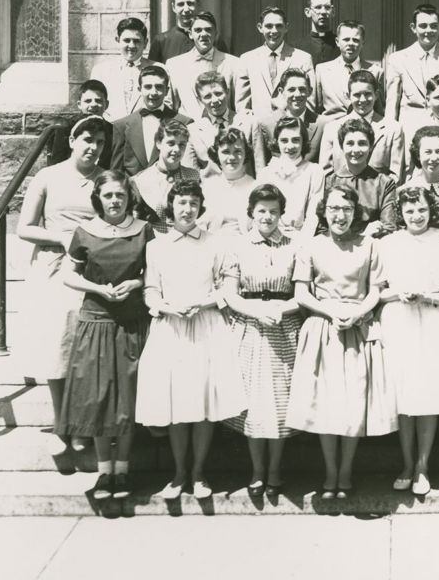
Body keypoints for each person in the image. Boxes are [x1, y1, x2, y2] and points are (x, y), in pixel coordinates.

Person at [136, 181, 245, 500]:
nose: (187, 209)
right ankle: (178, 473)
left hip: (205, 326)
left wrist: (204, 303)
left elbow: (229, 286)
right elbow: (150, 289)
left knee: (202, 402)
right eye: (181, 203)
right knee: (176, 402)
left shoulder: (215, 243)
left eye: (193, 204)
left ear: (201, 208)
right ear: (171, 207)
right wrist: (166, 306)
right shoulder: (156, 245)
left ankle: (198, 474)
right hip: (171, 328)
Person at [286, 184, 397, 498]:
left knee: (352, 404)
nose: (340, 215)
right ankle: (330, 473)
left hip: (357, 328)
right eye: (333, 208)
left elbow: (375, 289)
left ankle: (345, 472)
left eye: (346, 209)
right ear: (324, 211)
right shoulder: (311, 245)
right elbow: (301, 293)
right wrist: (331, 310)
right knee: (326, 404)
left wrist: (359, 312)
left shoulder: (369, 245)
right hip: (323, 328)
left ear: (355, 213)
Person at [56, 170, 155, 500]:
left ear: (129, 198)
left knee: (126, 399)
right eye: (109, 195)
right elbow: (68, 275)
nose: (115, 201)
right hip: (96, 321)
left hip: (130, 323)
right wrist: (96, 287)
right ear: (98, 198)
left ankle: (122, 471)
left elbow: (155, 273)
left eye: (121, 195)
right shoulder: (85, 232)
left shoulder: (143, 231)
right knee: (98, 399)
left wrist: (137, 283)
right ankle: (104, 472)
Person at [17, 116, 106, 449]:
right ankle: (60, 422)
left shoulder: (106, 179)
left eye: (99, 142)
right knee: (57, 344)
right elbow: (24, 228)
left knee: (84, 346)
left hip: (91, 269)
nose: (93, 147)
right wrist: (62, 236)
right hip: (53, 266)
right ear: (72, 140)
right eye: (87, 139)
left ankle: (81, 424)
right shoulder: (48, 176)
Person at [379, 186, 439, 496]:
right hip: (399, 324)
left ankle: (422, 466)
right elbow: (376, 290)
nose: (416, 216)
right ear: (400, 214)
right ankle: (405, 463)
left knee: (427, 397)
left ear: (431, 210)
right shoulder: (388, 244)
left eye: (421, 210)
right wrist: (398, 292)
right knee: (404, 398)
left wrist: (427, 296)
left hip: (432, 325)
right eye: (409, 211)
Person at [220, 184, 304, 500]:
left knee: (280, 403)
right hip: (250, 327)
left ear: (282, 214)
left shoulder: (295, 247)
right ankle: (256, 470)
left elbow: (302, 294)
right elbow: (229, 293)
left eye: (273, 211)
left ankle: (275, 470)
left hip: (284, 326)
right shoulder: (238, 246)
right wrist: (257, 310)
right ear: (251, 214)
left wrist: (278, 310)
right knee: (255, 404)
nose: (267, 217)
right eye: (261, 211)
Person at [385, 4, 439, 137]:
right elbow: (392, 101)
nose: (428, 30)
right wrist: (390, 131)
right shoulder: (398, 59)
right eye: (423, 26)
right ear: (413, 28)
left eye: (433, 26)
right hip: (409, 131)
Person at [318, 70, 405, 181]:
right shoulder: (332, 128)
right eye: (357, 95)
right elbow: (325, 174)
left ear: (376, 95)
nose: (362, 100)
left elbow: (395, 175)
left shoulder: (393, 129)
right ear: (348, 96)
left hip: (378, 195)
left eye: (368, 94)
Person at [181, 71, 269, 177]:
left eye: (218, 93)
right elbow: (191, 175)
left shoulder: (249, 122)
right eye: (207, 96)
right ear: (200, 99)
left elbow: (261, 168)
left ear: (227, 92)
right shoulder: (192, 131)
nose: (214, 100)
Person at [109, 65, 192, 177]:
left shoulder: (185, 123)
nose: (153, 92)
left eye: (159, 87)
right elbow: (116, 174)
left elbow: (189, 167)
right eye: (148, 87)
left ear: (167, 91)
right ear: (140, 90)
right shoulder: (121, 125)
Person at [323, 117, 398, 238]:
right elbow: (322, 227)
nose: (356, 150)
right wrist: (361, 235)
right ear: (342, 147)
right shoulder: (330, 182)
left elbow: (389, 227)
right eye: (350, 143)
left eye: (362, 143)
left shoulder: (384, 183)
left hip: (373, 246)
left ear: (371, 147)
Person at [165, 11, 248, 119]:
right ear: (190, 34)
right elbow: (170, 106)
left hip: (223, 130)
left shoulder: (234, 63)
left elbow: (240, 106)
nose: (203, 34)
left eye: (208, 30)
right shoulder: (174, 65)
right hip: (187, 130)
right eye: (198, 30)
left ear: (215, 33)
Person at [236, 6, 315, 117]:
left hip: (292, 128)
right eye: (269, 26)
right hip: (259, 128)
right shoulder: (247, 59)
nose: (274, 31)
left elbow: (310, 101)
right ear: (260, 27)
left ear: (286, 27)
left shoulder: (303, 58)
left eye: (279, 26)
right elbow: (242, 104)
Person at [259, 116, 326, 242]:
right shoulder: (266, 173)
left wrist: (301, 240)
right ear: (277, 142)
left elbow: (313, 215)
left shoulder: (314, 171)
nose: (290, 146)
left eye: (295, 140)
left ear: (303, 142)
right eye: (284, 141)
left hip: (300, 238)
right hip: (269, 236)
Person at [130, 120, 202, 234]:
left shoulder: (193, 176)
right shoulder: (140, 180)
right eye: (171, 143)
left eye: (182, 144)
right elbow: (135, 221)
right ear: (158, 143)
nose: (177, 150)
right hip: (155, 241)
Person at [312, 20, 384, 118]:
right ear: (337, 42)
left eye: (356, 40)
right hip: (332, 129)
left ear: (363, 43)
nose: (351, 43)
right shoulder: (322, 70)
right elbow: (317, 109)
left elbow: (380, 110)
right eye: (346, 39)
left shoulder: (376, 72)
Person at [91, 17, 156, 121]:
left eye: (137, 41)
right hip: (110, 131)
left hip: (144, 132)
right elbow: (93, 105)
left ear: (145, 43)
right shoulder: (100, 71)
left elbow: (166, 106)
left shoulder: (158, 69)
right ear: (117, 40)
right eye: (126, 40)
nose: (131, 45)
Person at [199, 127, 256, 237]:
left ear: (246, 153)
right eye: (226, 152)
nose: (232, 157)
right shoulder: (207, 187)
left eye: (238, 151)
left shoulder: (255, 187)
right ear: (217, 154)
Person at [148, 0, 228, 63]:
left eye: (190, 3)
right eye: (180, 4)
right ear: (173, 7)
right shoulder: (161, 41)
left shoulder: (214, 39)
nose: (186, 9)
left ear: (198, 5)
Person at [257, 69, 322, 162]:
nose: (297, 94)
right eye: (291, 89)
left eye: (302, 89)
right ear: (281, 91)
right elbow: (262, 164)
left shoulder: (323, 124)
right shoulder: (267, 124)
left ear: (310, 91)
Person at [48, 81, 113, 168]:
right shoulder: (66, 128)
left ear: (106, 104)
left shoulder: (113, 131)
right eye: (88, 101)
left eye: (98, 101)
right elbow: (57, 163)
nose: (93, 104)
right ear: (79, 104)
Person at [289, 0, 341, 65]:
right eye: (318, 7)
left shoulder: (341, 45)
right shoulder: (296, 48)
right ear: (307, 12)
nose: (323, 12)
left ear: (333, 12)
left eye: (327, 7)